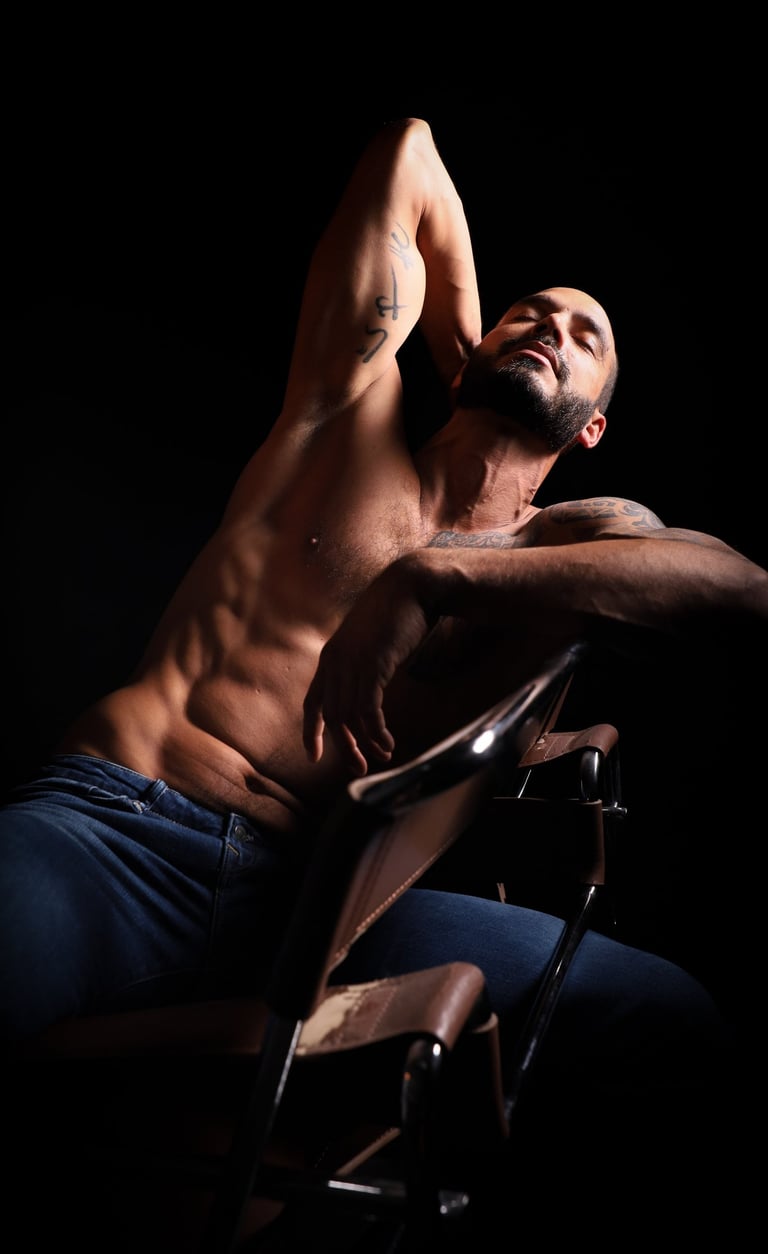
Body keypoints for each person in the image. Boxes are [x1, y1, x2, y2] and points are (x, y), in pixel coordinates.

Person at [2, 118, 766, 1232]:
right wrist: (470, 346)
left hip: (322, 914)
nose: (550, 329)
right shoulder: (344, 414)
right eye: (529, 312)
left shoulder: (570, 546)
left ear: (593, 426)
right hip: (117, 835)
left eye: (583, 335)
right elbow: (408, 154)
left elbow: (739, 587)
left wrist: (434, 577)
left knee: (671, 1017)